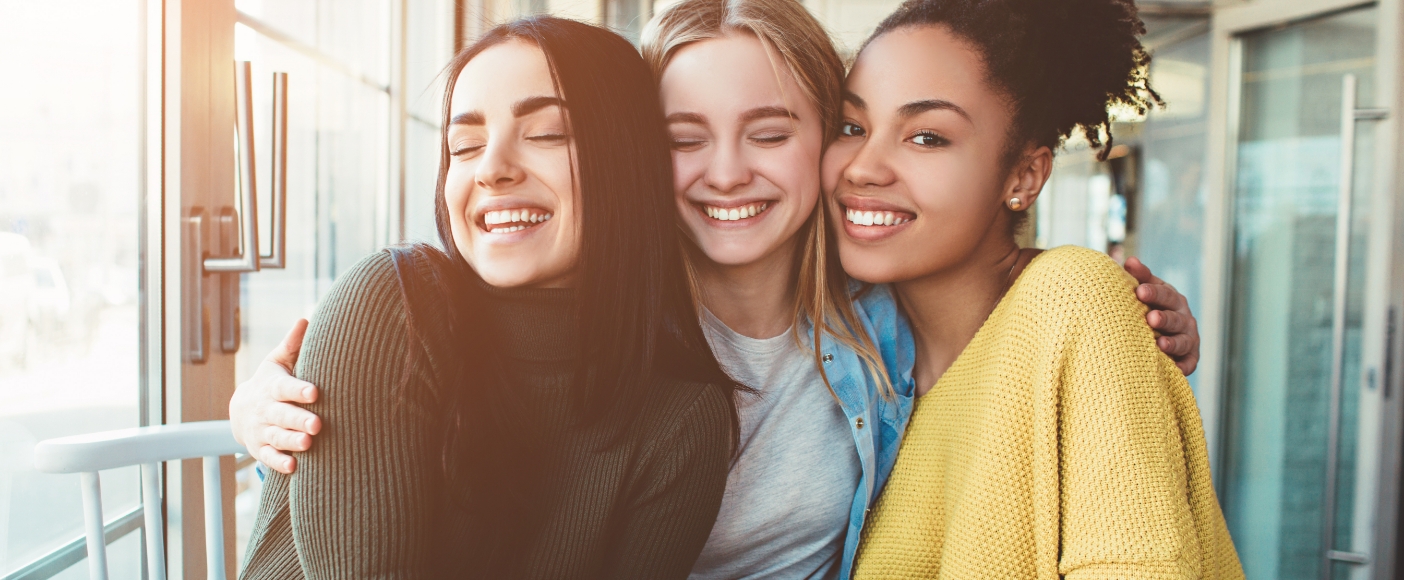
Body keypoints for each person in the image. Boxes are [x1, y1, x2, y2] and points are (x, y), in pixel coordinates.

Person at [235, 2, 1206, 579]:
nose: (725, 172)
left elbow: (1029, 345)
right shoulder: (588, 325)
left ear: (827, 138)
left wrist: (1135, 319)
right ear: (627, 152)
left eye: (772, 130)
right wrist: (264, 411)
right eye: (681, 137)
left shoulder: (884, 331)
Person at [239, 16, 742, 579]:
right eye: (466, 144)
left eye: (547, 133)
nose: (492, 169)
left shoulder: (682, 421)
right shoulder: (391, 304)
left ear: (628, 161)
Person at [825, 0, 1244, 576]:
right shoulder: (851, 349)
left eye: (926, 137)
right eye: (852, 127)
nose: (863, 167)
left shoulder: (1073, 299)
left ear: (1024, 175)